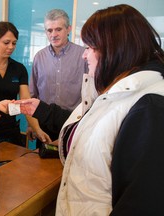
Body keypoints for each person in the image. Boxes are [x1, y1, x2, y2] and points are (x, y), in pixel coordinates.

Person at [15, 4, 164, 215]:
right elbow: (92, 124)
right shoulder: (120, 90)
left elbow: (141, 203)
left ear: (115, 49)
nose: (85, 56)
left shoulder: (150, 108)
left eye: (90, 48)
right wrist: (43, 110)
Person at [27, 9, 87, 148]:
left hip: (72, 124)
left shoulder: (83, 55)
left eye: (58, 29)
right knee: (41, 167)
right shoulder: (39, 57)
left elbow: (91, 93)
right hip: (44, 126)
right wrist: (32, 125)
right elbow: (32, 94)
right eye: (49, 30)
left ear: (69, 29)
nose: (53, 34)